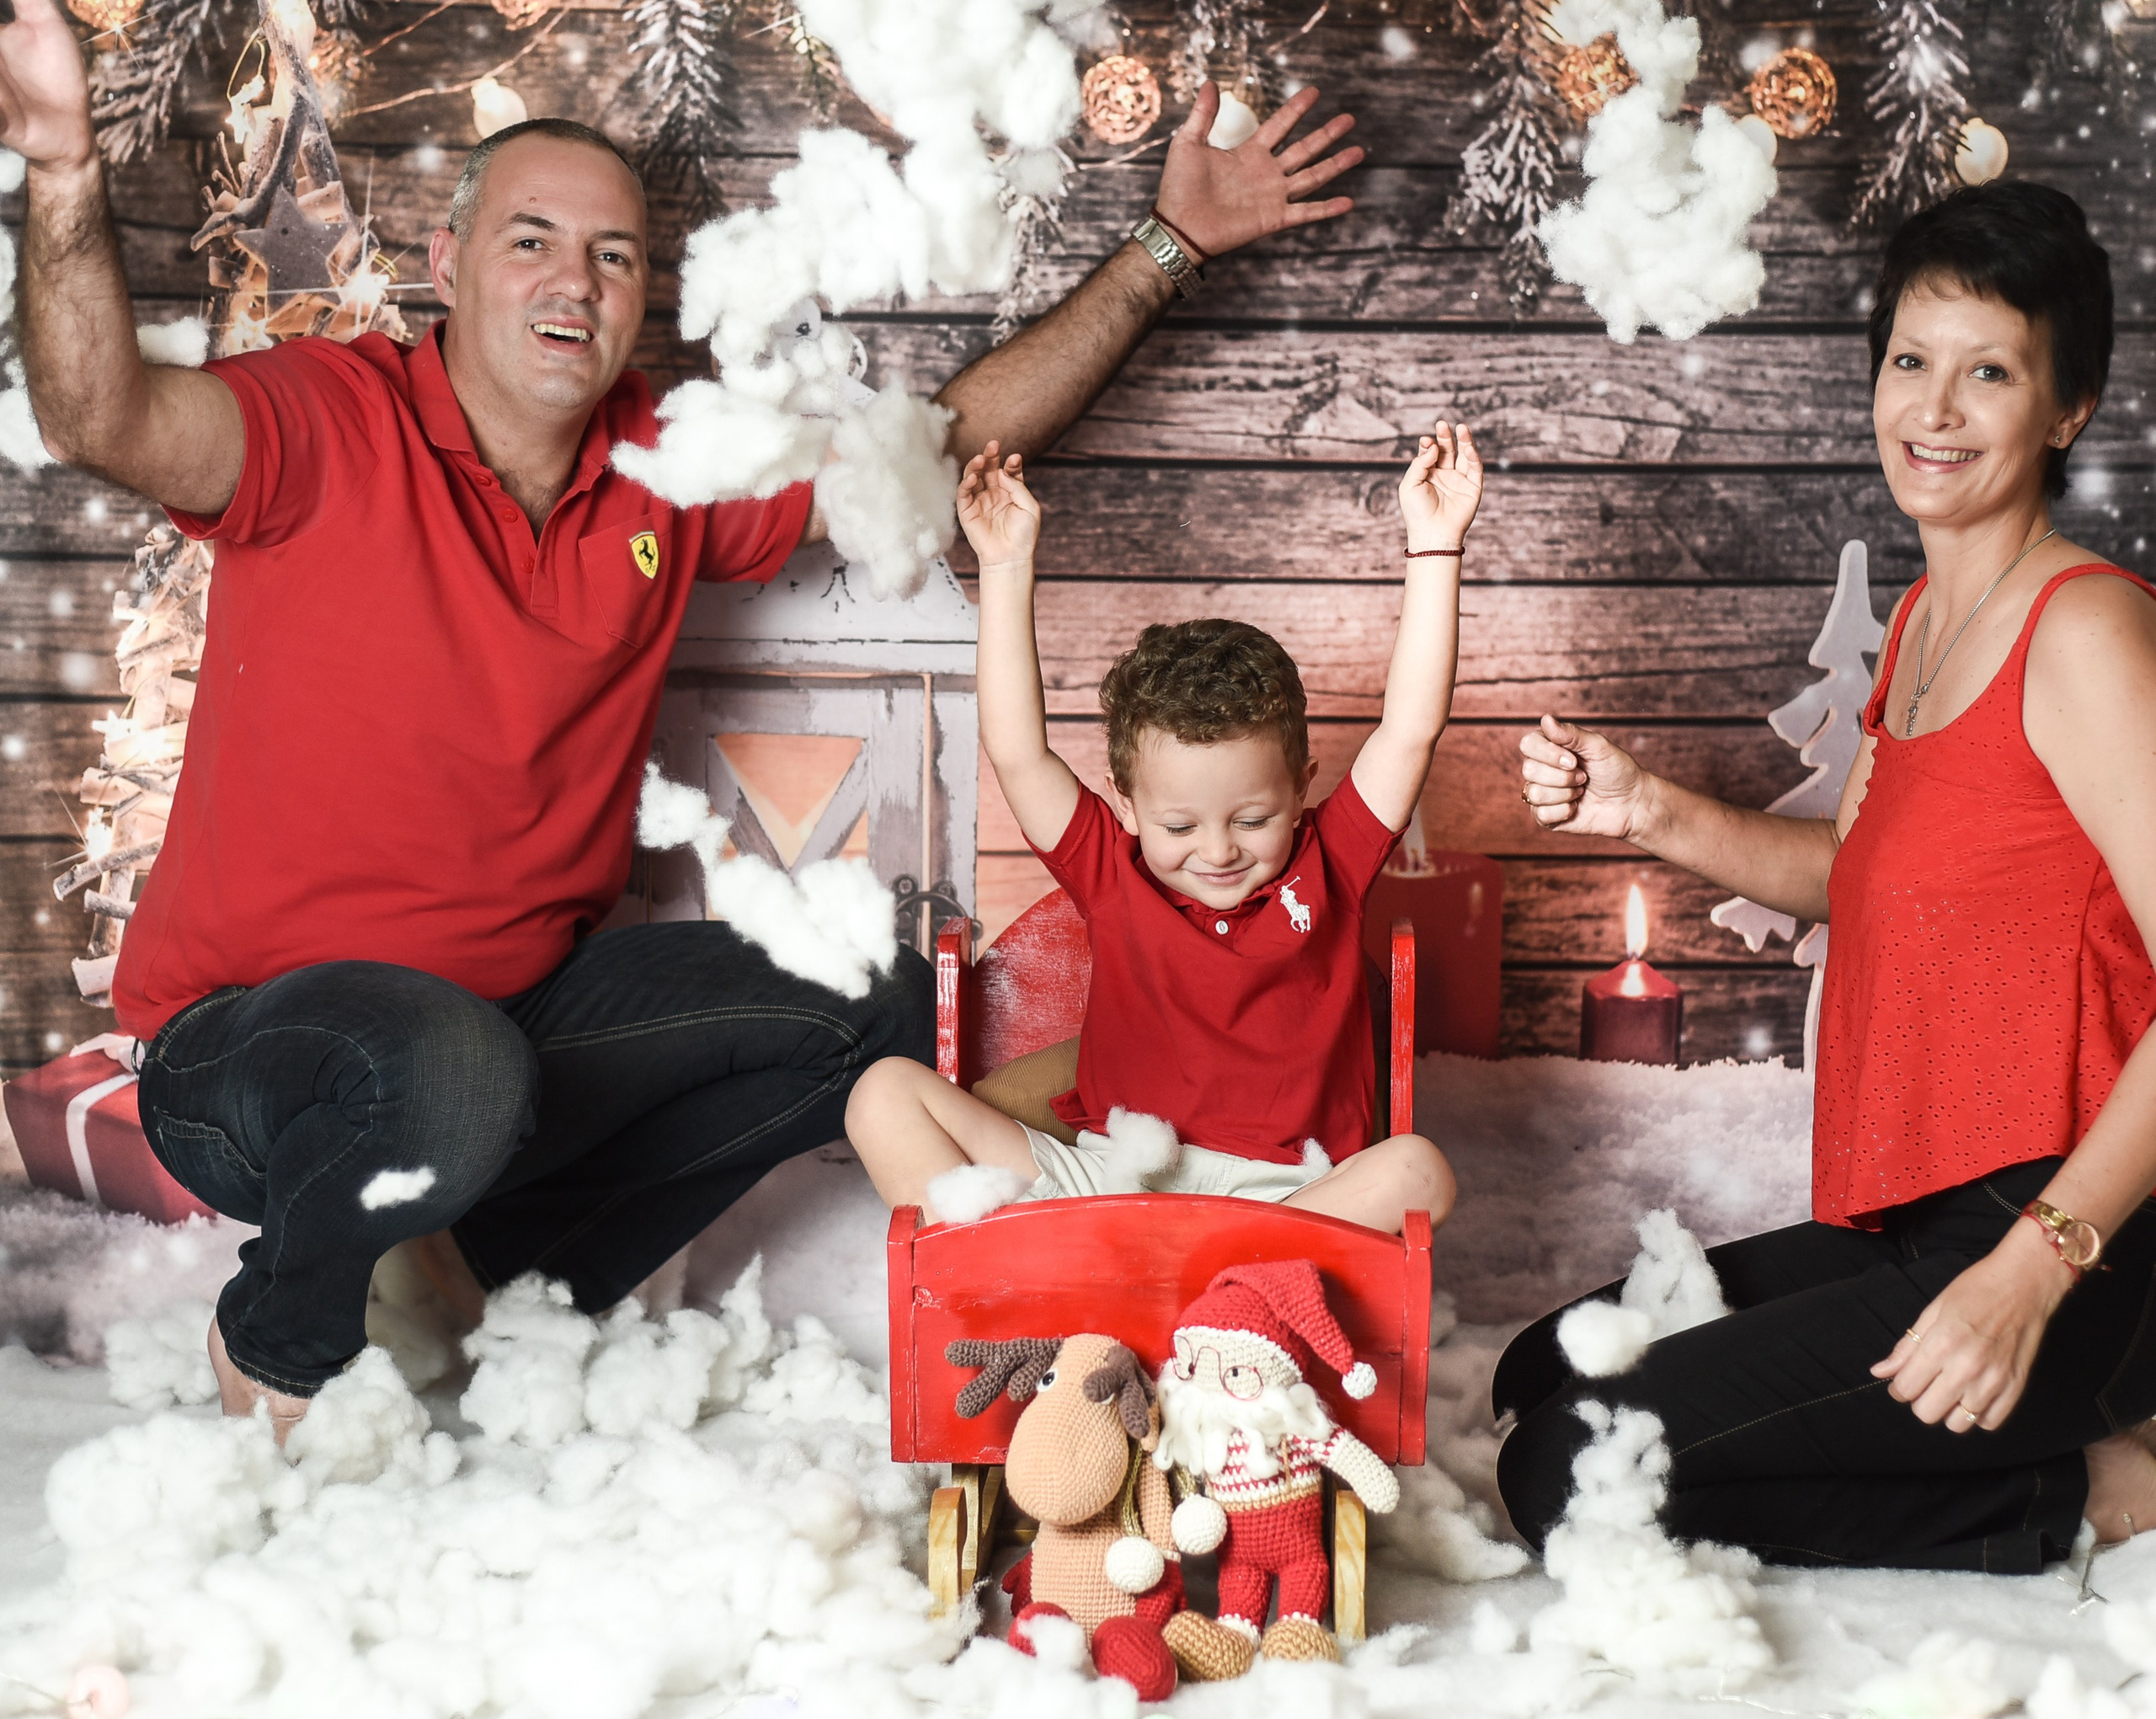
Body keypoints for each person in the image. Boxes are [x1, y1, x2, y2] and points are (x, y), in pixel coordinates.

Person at [0, 0, 1368, 1433]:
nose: (573, 282)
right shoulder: (324, 424)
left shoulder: (665, 466)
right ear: (447, 263)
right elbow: (105, 416)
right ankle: (286, 1332)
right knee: (444, 1067)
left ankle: (484, 1281)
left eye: (615, 255)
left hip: (511, 1025)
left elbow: (944, 443)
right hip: (255, 1051)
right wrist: (64, 171)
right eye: (531, 238)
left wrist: (1168, 248)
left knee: (870, 1004)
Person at [1501, 182, 2156, 1570]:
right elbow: (1861, 877)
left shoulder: (2085, 630)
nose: (1937, 405)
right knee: (1540, 1368)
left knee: (1566, 1465)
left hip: (2070, 1243)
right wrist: (1644, 805)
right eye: (1913, 360)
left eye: (1992, 371)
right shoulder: (1927, 615)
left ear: (2070, 408)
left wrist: (2030, 1274)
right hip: (1918, 1216)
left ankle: (2092, 1490)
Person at [843, 419, 1483, 1235]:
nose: (1217, 850)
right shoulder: (1112, 871)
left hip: (1282, 1205)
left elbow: (1407, 732)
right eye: (1179, 824)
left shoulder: (1332, 863)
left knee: (1416, 1169)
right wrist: (1004, 567)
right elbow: (1016, 751)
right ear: (1130, 805)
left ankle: (1188, 1304)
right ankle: (1035, 1293)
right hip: (1111, 1185)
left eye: (1252, 819)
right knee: (884, 1093)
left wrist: (1434, 548)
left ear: (1300, 793)